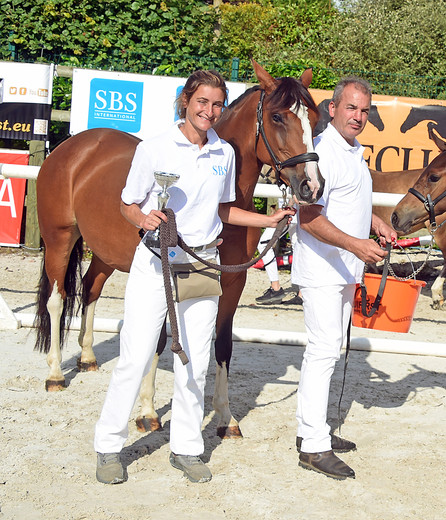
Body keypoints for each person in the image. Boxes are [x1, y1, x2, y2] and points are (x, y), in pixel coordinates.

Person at [94, 69, 295, 485]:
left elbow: (222, 211)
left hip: (203, 265)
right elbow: (128, 203)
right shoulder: (154, 147)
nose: (210, 111)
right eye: (202, 102)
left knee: (193, 363)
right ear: (187, 100)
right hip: (156, 265)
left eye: (217, 104)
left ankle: (186, 448)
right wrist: (142, 216)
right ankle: (109, 446)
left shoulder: (223, 152)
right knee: (134, 358)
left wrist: (267, 217)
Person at [291, 77, 396, 480]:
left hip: (343, 267)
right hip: (322, 267)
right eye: (351, 107)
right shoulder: (320, 154)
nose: (358, 116)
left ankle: (311, 430)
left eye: (364, 110)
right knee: (322, 349)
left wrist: (374, 221)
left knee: (328, 350)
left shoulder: (353, 152)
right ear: (332, 109)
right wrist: (356, 244)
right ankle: (314, 446)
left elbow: (343, 200)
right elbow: (308, 216)